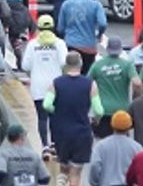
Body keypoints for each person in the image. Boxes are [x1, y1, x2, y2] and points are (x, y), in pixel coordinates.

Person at [45, 50, 102, 186]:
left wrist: (56, 111)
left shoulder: (56, 83)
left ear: (66, 65)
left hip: (61, 132)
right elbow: (99, 110)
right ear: (80, 64)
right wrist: (96, 119)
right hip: (81, 132)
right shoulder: (90, 84)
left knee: (63, 168)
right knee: (75, 173)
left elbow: (47, 104)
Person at [21, 14, 68, 154]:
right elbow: (64, 63)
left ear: (39, 28)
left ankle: (44, 146)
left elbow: (25, 66)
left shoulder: (32, 44)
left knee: (41, 117)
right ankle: (54, 143)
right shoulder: (59, 43)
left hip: (38, 85)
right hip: (56, 85)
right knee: (56, 116)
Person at [89, 37, 141, 140]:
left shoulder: (98, 65)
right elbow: (137, 83)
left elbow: (87, 83)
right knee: (122, 142)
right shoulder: (127, 65)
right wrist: (136, 98)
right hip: (121, 110)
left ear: (107, 48)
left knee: (102, 142)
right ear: (120, 49)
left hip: (103, 109)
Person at [57, 0, 108, 73]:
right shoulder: (96, 5)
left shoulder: (66, 4)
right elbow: (102, 23)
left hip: (71, 44)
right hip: (89, 46)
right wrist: (99, 35)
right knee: (87, 73)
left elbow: (60, 28)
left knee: (71, 72)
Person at [89, 111, 143, 186]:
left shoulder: (101, 145)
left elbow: (94, 165)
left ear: (112, 125)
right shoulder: (137, 147)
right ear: (129, 126)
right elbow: (140, 170)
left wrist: (94, 183)